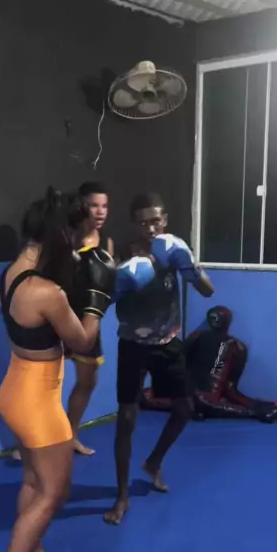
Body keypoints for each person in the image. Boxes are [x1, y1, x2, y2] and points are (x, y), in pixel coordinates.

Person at [0, 187, 115, 552]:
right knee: (54, 492)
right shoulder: (47, 292)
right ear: (59, 235)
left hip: (15, 389)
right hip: (37, 402)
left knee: (33, 482)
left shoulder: (10, 274)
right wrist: (97, 300)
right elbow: (82, 342)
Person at [104, 192, 214, 525]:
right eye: (143, 223)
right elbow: (104, 300)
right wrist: (119, 281)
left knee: (185, 410)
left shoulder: (173, 250)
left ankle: (153, 463)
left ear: (164, 220)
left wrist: (190, 264)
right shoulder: (122, 252)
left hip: (168, 343)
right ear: (133, 224)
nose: (150, 228)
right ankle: (122, 496)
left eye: (155, 221)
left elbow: (207, 291)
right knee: (126, 419)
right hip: (133, 346)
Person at [66, 181, 115, 455]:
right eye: (95, 205)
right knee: (47, 383)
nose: (101, 211)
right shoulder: (67, 238)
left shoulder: (107, 243)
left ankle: (70, 435)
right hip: (59, 317)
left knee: (87, 380)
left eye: (105, 206)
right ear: (82, 205)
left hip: (88, 320)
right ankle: (33, 445)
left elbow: (107, 287)